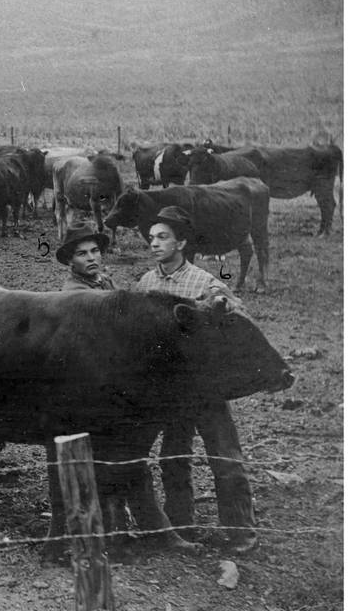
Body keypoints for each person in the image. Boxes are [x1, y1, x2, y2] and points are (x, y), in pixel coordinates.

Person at [133, 205, 258, 552]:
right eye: (152, 237)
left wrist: (223, 302)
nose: (154, 243)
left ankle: (241, 533)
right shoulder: (146, 283)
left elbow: (238, 314)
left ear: (182, 242)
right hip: (170, 390)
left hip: (205, 387)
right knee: (173, 458)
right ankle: (183, 528)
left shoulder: (205, 281)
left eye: (163, 237)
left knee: (225, 456)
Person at [56, 222, 116, 291]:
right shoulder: (75, 291)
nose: (91, 258)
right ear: (70, 260)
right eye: (82, 254)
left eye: (95, 250)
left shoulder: (105, 279)